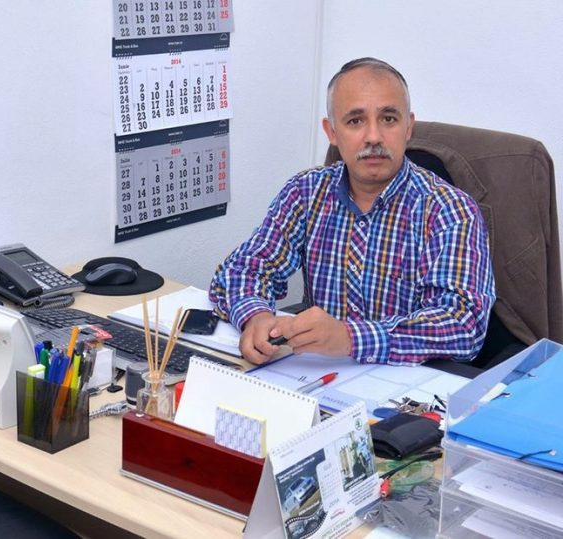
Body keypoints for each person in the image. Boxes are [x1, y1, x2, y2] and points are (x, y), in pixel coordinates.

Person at [209, 57, 495, 366]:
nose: (373, 136)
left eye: (389, 119)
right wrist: (256, 316)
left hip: (409, 382)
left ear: (408, 127)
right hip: (317, 374)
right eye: (355, 121)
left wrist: (351, 338)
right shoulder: (306, 192)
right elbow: (242, 269)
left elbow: (463, 325)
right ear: (332, 131)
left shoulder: (450, 210)